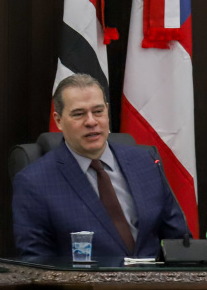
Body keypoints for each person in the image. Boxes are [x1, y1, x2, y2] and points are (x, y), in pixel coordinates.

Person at [12, 73, 188, 259]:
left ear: (107, 111)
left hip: (155, 277)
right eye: (78, 114)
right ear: (58, 121)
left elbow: (180, 241)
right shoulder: (35, 182)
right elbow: (37, 262)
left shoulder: (146, 162)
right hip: (85, 278)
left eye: (98, 111)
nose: (91, 121)